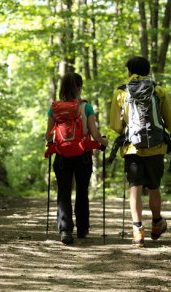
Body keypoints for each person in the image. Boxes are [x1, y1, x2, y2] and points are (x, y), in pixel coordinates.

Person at [110, 56, 171, 247]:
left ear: (129, 71)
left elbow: (115, 125)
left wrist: (127, 133)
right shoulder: (158, 90)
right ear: (147, 71)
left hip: (132, 149)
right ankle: (157, 223)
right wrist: (169, 136)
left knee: (135, 188)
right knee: (154, 187)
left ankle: (137, 231)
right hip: (156, 147)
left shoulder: (121, 93)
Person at [45, 72, 108, 245]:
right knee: (82, 190)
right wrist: (104, 142)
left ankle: (65, 230)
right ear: (79, 87)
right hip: (83, 155)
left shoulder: (55, 108)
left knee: (64, 191)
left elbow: (48, 136)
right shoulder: (85, 107)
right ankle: (82, 229)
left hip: (61, 156)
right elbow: (94, 133)